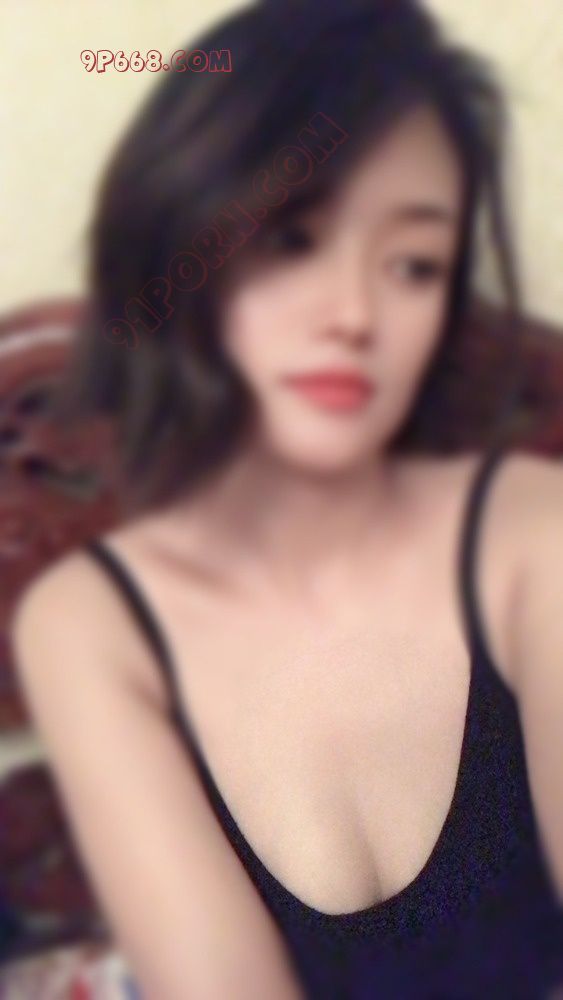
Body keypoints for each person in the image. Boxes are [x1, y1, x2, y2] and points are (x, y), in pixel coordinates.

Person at [9, 0, 563, 996]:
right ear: (177, 236)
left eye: (413, 265)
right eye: (292, 239)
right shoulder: (90, 625)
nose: (355, 313)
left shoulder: (531, 532)